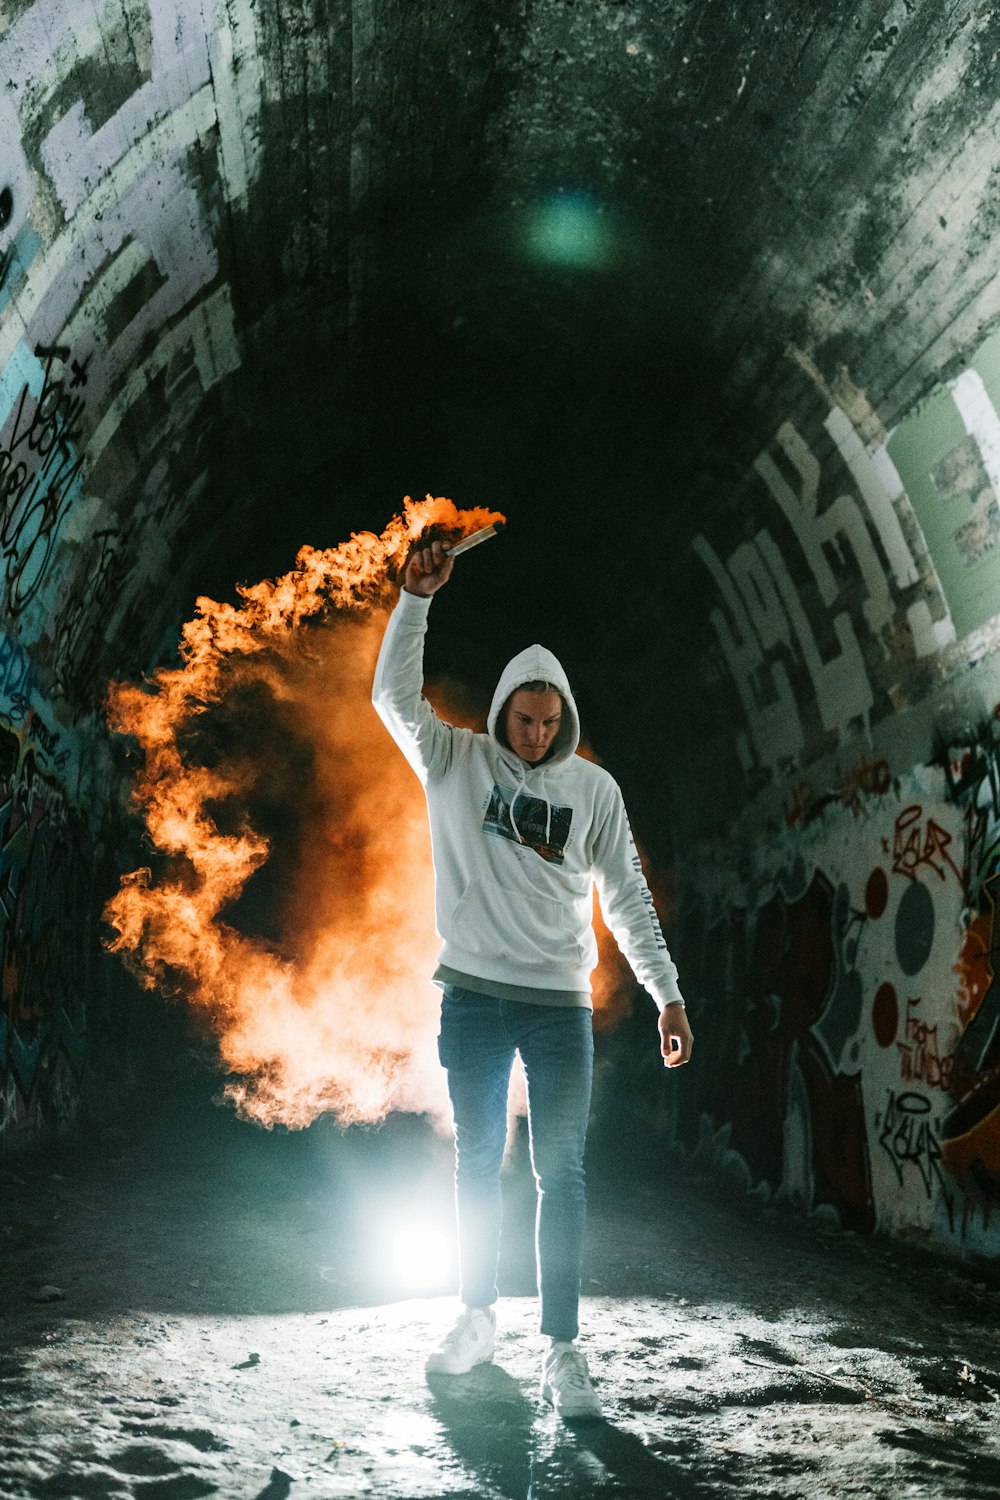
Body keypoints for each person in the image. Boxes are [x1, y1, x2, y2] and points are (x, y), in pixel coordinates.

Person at [372, 537, 692, 1420]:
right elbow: (391, 698)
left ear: (567, 717)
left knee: (565, 1173)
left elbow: (626, 898)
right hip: (472, 996)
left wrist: (666, 994)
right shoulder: (455, 760)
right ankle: (475, 1318)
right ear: (505, 709)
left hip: (559, 1008)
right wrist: (417, 600)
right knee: (477, 1163)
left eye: (552, 722)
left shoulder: (595, 793)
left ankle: (563, 1351)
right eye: (525, 720)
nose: (539, 735)